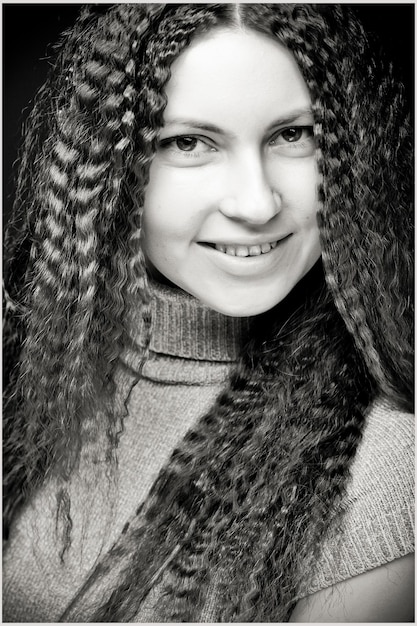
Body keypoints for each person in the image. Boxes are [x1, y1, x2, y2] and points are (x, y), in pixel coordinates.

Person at [3, 4, 414, 622]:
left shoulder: (384, 467)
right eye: (189, 142)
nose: (256, 202)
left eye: (293, 134)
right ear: (103, 163)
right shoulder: (26, 376)